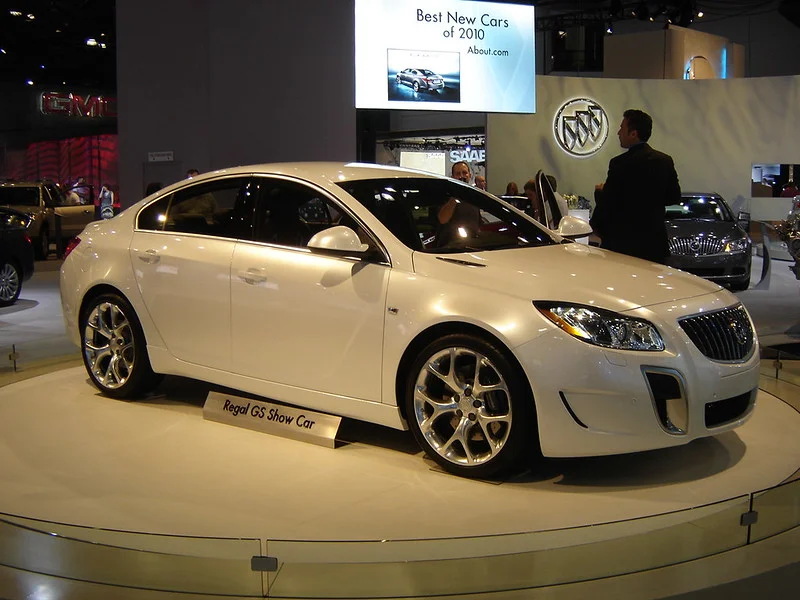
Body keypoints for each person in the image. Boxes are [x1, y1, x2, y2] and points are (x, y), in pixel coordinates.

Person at [590, 109, 680, 263]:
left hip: (623, 244)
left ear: (633, 133)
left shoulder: (619, 163)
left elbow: (609, 203)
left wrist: (599, 192)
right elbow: (674, 197)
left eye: (622, 128)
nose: (618, 133)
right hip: (654, 243)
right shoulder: (664, 161)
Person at [436, 161, 481, 247]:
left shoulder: (474, 197)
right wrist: (455, 196)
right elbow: (443, 219)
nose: (461, 176)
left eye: (464, 173)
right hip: (450, 248)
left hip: (472, 247)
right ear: (452, 177)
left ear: (470, 175)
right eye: (458, 173)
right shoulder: (446, 196)